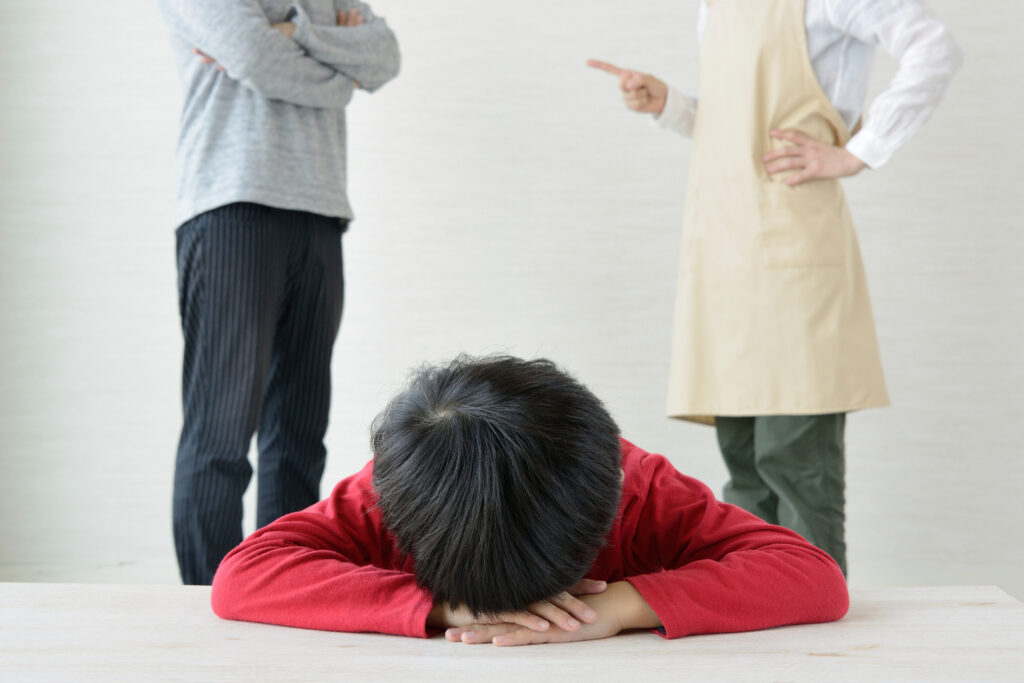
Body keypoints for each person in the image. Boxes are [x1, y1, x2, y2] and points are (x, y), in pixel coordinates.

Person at [588, 0, 962, 575]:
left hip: (795, 247)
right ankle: (754, 608)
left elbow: (935, 49)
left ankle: (814, 610)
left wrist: (858, 152)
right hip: (724, 254)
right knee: (744, 467)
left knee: (796, 462)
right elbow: (738, 130)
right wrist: (672, 105)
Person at [211, 355, 848, 645]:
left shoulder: (636, 482)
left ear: (607, 502)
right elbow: (243, 575)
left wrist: (620, 607)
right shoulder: (394, 485)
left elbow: (813, 577)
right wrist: (443, 607)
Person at [155, 0, 401, 585]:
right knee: (221, 434)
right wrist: (336, 69)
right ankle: (207, 599)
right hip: (231, 206)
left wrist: (290, 31)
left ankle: (283, 588)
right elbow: (253, 56)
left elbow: (384, 58)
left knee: (298, 435)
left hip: (320, 213)